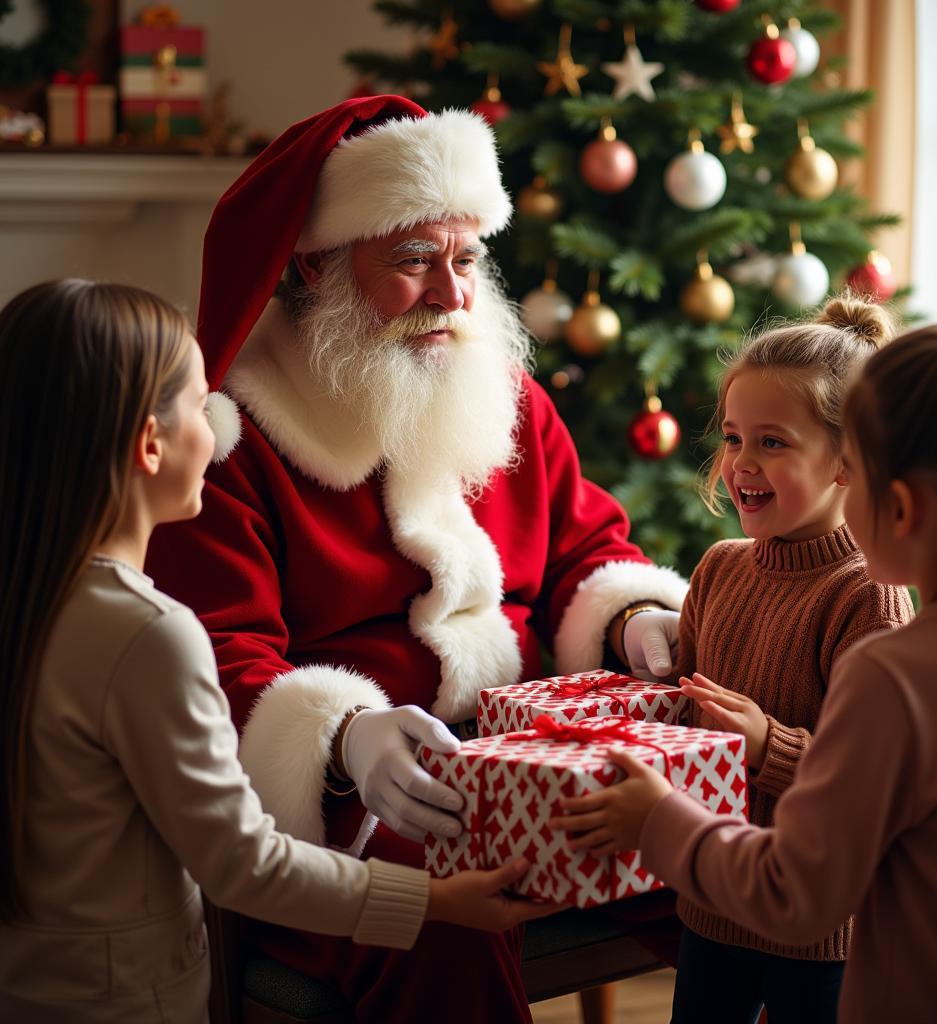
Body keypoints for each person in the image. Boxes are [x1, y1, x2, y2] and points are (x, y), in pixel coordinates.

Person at [145, 94, 689, 1022]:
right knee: (442, 903)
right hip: (359, 802)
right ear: (315, 265)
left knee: (726, 836)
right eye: (411, 260)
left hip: (531, 753)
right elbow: (209, 660)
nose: (452, 294)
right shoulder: (233, 441)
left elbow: (589, 548)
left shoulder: (505, 395)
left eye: (466, 258)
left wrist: (637, 620)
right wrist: (343, 735)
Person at [0, 280, 558, 1024]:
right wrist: (435, 902)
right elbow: (240, 864)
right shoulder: (148, 633)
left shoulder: (32, 598)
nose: (224, 432)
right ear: (149, 443)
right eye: (205, 406)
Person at [554, 275, 937, 1022]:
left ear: (859, 476)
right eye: (734, 437)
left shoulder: (876, 621)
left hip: (818, 942)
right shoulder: (718, 569)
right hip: (713, 908)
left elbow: (839, 835)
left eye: (772, 442)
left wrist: (750, 753)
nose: (741, 462)